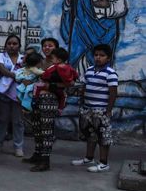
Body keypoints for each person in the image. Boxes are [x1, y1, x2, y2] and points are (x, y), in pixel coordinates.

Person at [27, 47, 77, 172]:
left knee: (46, 130)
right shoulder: (55, 66)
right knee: (38, 127)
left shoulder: (61, 68)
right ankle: (39, 154)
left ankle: (45, 160)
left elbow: (70, 83)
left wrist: (52, 85)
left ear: (58, 58)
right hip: (42, 98)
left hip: (49, 99)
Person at [71, 44, 118, 173]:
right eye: (96, 55)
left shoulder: (111, 73)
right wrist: (82, 102)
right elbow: (84, 87)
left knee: (103, 136)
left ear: (108, 58)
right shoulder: (89, 70)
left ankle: (103, 163)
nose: (98, 58)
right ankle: (89, 158)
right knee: (90, 135)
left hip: (101, 110)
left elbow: (113, 93)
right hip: (87, 109)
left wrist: (108, 110)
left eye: (102, 55)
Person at [0, 34, 25, 157]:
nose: (12, 46)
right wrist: (17, 76)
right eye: (9, 43)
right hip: (3, 93)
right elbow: (1, 69)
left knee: (18, 122)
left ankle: (18, 146)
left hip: (18, 95)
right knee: (2, 120)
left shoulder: (24, 59)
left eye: (14, 44)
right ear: (6, 45)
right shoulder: (0, 56)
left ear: (19, 46)